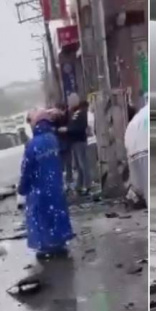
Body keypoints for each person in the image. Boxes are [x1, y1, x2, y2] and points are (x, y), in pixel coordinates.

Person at [17, 108, 74, 259]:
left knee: (43, 219)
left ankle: (47, 247)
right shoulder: (53, 139)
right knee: (57, 214)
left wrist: (22, 188)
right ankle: (60, 243)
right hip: (56, 186)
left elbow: (27, 170)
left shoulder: (33, 145)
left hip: (40, 190)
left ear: (36, 124)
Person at [60, 93, 90, 195]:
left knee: (83, 164)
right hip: (74, 142)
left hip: (79, 141)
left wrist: (67, 129)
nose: (68, 103)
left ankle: (87, 185)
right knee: (78, 165)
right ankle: (79, 185)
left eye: (70, 101)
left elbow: (80, 127)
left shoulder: (80, 113)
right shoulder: (73, 113)